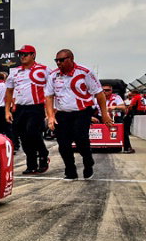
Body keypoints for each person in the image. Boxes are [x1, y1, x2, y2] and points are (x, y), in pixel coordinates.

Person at [45, 49, 112, 180]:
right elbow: (48, 97)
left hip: (82, 112)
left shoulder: (85, 72)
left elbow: (99, 94)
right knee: (63, 145)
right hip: (62, 113)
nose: (59, 63)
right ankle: (70, 171)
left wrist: (104, 114)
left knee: (81, 141)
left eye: (62, 60)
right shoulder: (53, 75)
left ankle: (88, 163)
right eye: (56, 61)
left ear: (71, 59)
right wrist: (51, 116)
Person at [4, 45, 50, 174]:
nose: (22, 57)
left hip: (37, 107)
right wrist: (7, 111)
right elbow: (8, 92)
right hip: (19, 108)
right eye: (20, 54)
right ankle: (31, 164)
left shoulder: (44, 69)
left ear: (33, 55)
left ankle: (43, 154)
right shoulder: (14, 72)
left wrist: (51, 109)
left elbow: (53, 87)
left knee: (32, 131)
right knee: (23, 136)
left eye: (25, 54)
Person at [123, 89, 145, 153]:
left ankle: (127, 131)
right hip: (142, 111)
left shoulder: (135, 97)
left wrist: (127, 113)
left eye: (131, 94)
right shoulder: (141, 97)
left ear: (134, 93)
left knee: (126, 124)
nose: (131, 95)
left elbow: (131, 105)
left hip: (136, 112)